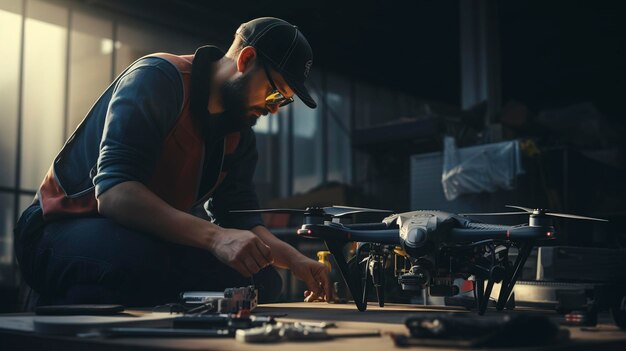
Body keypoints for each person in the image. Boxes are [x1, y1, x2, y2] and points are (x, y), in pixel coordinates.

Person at [13, 17, 332, 307]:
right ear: (246, 60)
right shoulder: (158, 79)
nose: (273, 109)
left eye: (284, 102)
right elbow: (114, 194)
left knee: (258, 280)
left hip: (141, 237)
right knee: (139, 262)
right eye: (274, 94)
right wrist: (215, 237)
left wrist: (293, 260)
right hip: (55, 230)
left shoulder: (239, 135)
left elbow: (239, 222)